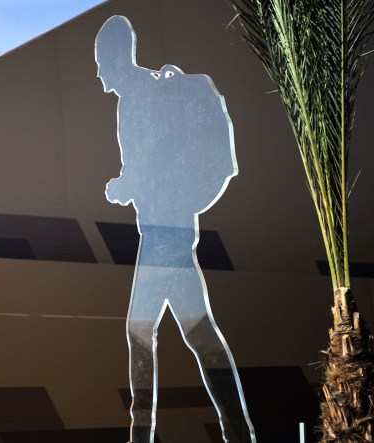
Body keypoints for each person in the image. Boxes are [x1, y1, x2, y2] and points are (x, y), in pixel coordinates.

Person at [95, 15, 256, 443]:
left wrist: (125, 184)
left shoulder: (142, 97)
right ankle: (237, 432)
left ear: (116, 58)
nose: (98, 75)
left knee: (139, 328)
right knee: (198, 333)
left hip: (166, 230)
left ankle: (141, 435)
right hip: (165, 227)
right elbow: (147, 166)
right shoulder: (137, 97)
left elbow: (152, 167)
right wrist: (125, 183)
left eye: (101, 64)